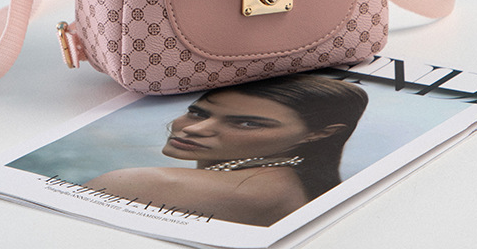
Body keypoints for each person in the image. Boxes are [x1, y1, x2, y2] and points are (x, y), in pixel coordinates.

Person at [86, 73, 368, 226]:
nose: (195, 129)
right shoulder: (292, 184)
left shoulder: (142, 183)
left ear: (320, 133)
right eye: (197, 112)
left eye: (247, 123)